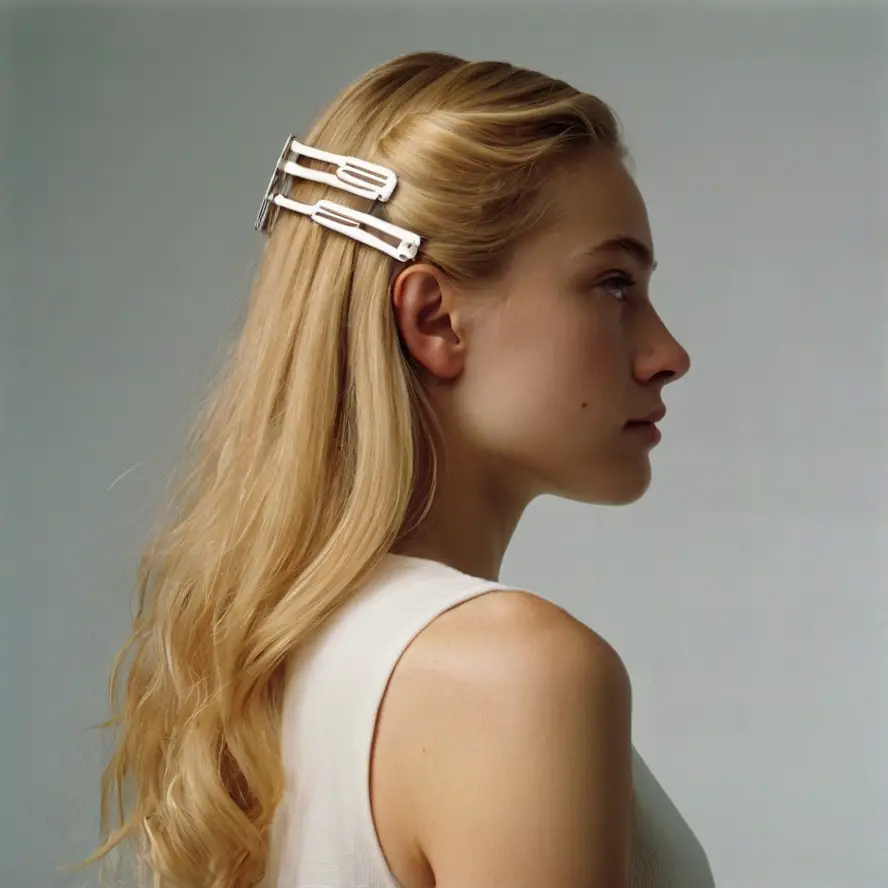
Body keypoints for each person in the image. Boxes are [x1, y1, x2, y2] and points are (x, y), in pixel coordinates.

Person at [87, 51, 714, 888]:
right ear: (434, 319)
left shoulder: (266, 668)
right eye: (611, 284)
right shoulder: (519, 672)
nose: (667, 354)